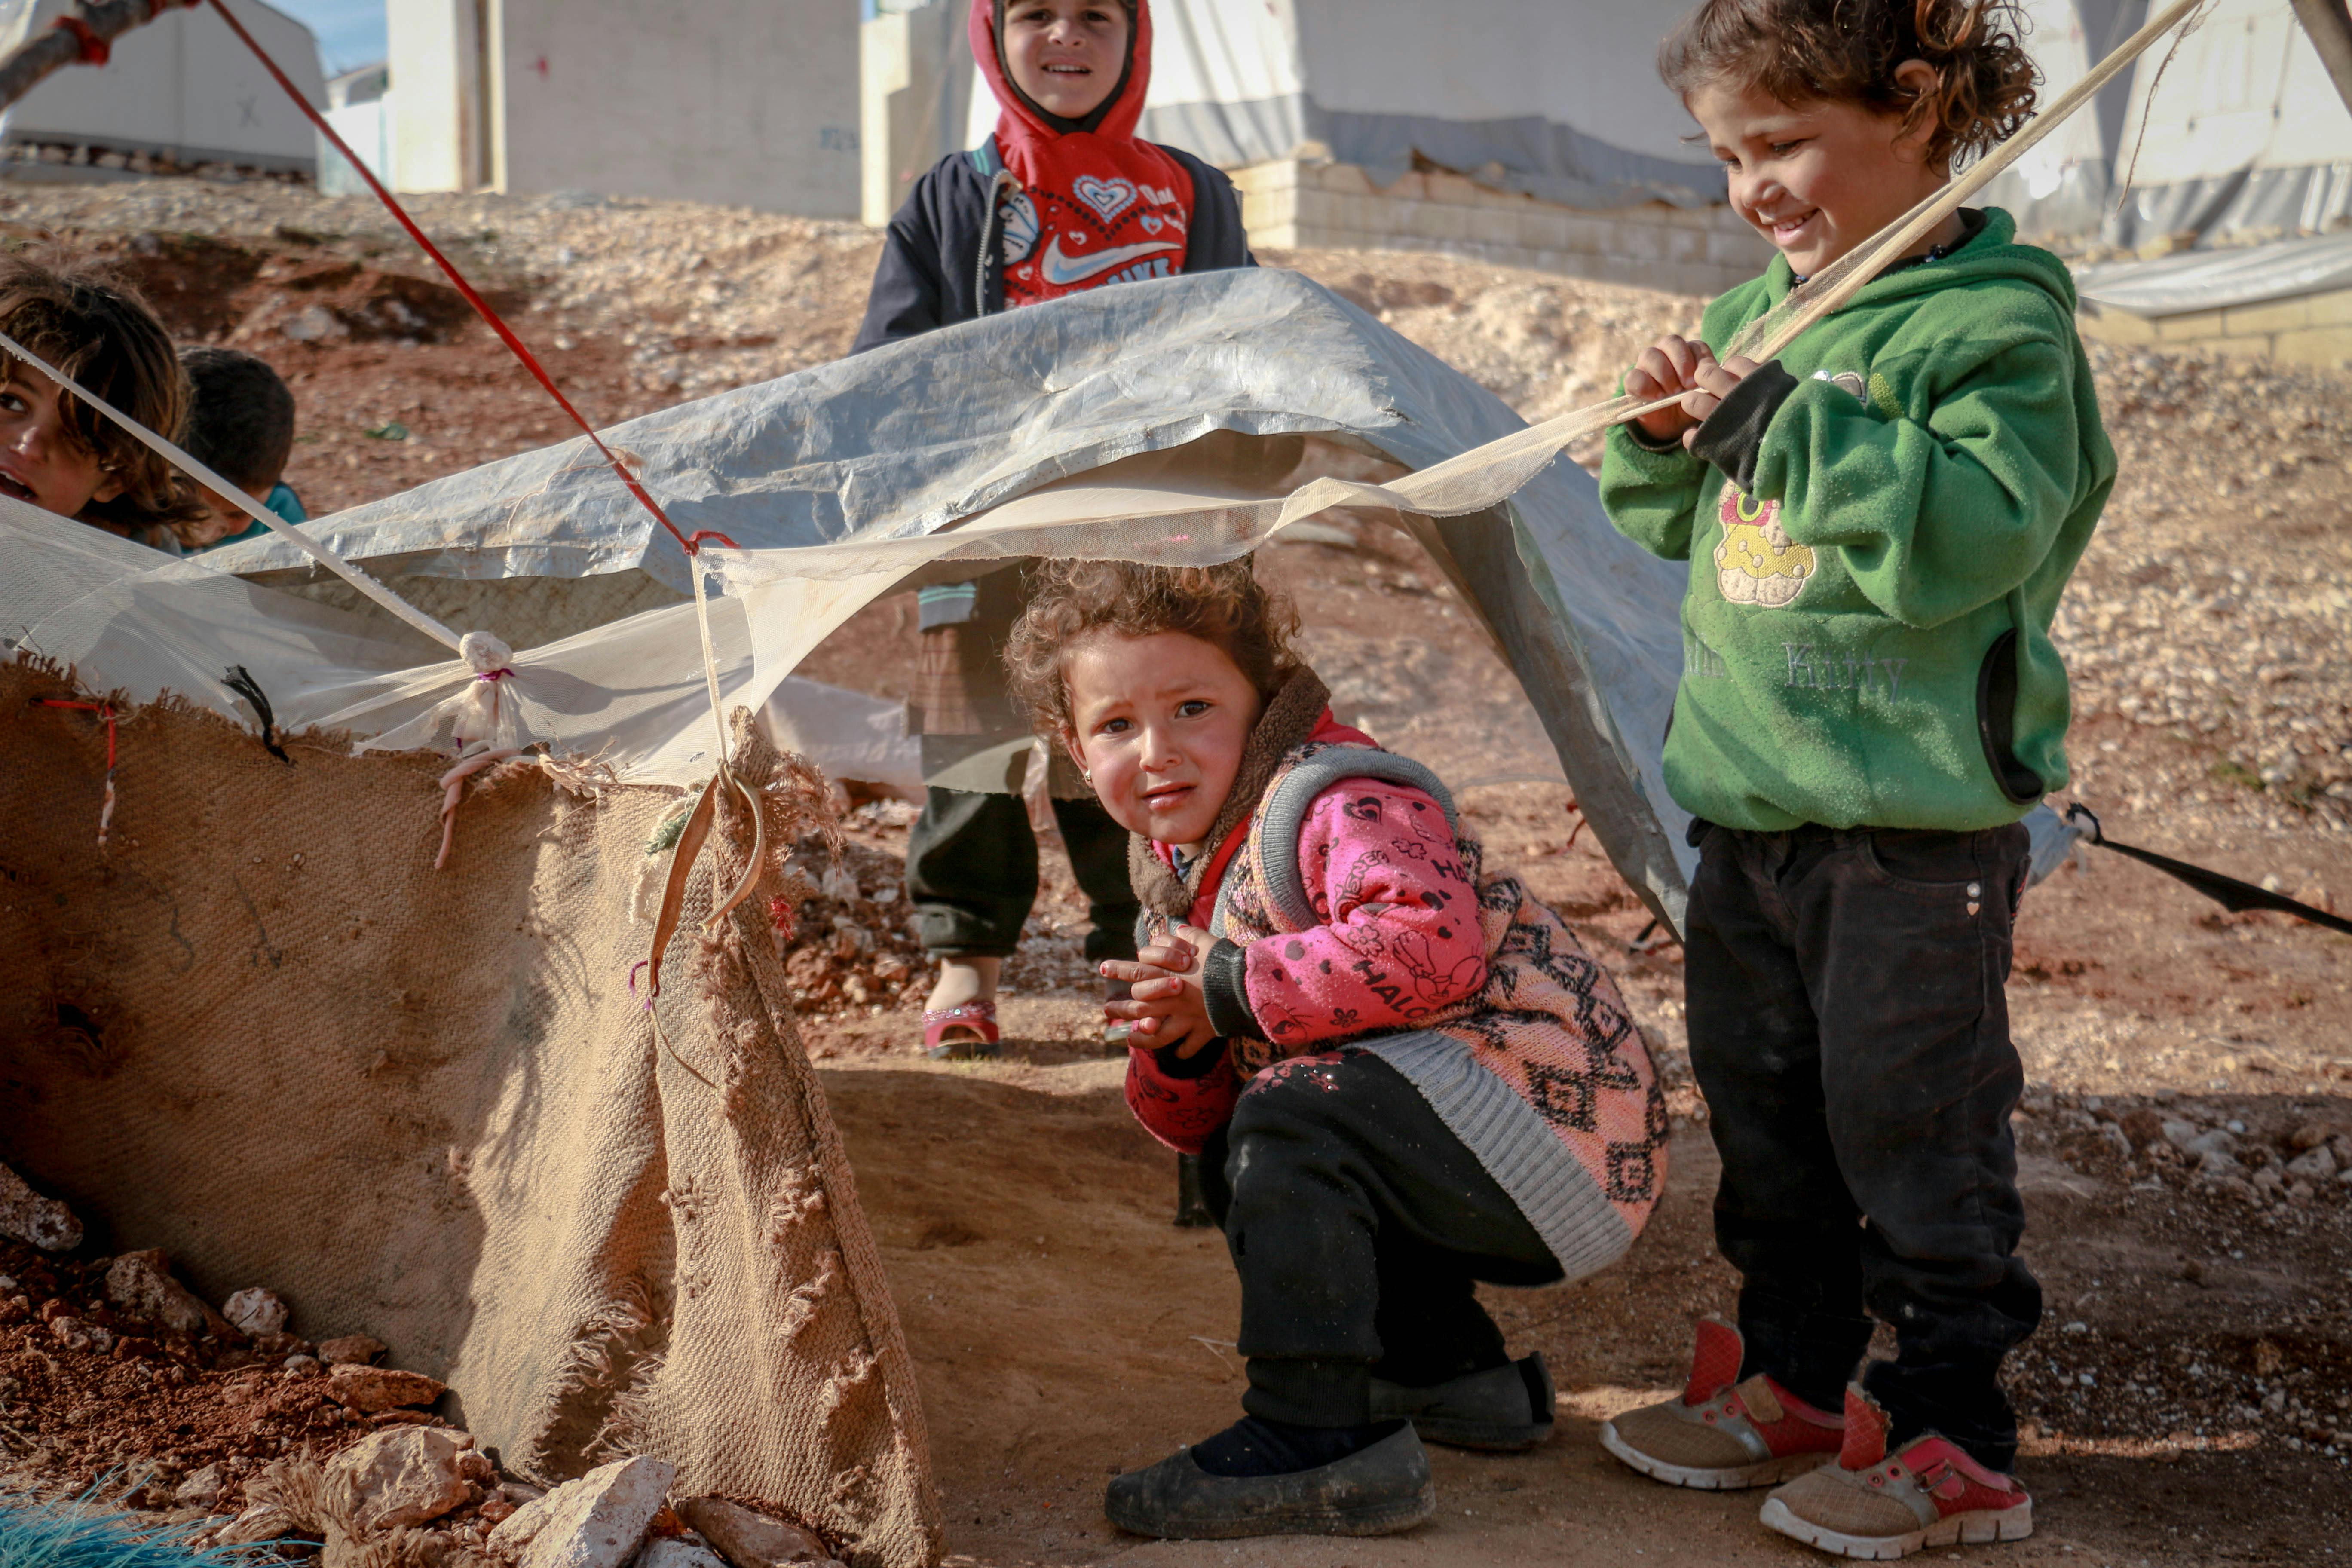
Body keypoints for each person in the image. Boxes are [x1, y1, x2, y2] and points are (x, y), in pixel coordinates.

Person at [1592, 0, 2113, 1557]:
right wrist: (1658, 433)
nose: (1752, 185)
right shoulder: (1770, 309)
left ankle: (1952, 1436)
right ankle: (1795, 1383)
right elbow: (1676, 524)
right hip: (1750, 819)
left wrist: (1762, 416)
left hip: (1912, 838)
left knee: (1913, 1132)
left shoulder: (1996, 329)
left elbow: (1965, 542)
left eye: (1784, 142)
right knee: (1771, 1128)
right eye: (1726, 155)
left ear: (1921, 106)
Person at [1000, 559, 1667, 1538]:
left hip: (1558, 1148)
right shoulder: (1184, 877)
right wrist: (1186, 1042)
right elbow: (1196, 1128)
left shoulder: (1338, 802)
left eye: (1191, 707)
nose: (1155, 751)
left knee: (1294, 1113)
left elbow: (1428, 952)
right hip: (1487, 1149)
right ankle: (1449, 1376)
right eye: (1114, 727)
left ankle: (1315, 1441)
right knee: (1257, 1128)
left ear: (1264, 698)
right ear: (1070, 746)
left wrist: (1229, 987)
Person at [850, 0, 1253, 1059]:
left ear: (1136, 40)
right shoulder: (949, 196)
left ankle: (1143, 951)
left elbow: (1239, 347)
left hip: (1139, 542)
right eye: (1035, 14)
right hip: (984, 533)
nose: (1064, 39)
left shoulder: (1191, 195)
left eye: (1093, 17)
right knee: (970, 753)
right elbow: (885, 367)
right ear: (991, 34)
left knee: (1122, 744)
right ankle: (964, 960)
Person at [0, 253, 202, 550]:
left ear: (114, 481)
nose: (29, 448)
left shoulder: (132, 587)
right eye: (10, 402)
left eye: (78, 435)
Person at [174, 346, 308, 551]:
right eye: (192, 512)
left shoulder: (279, 516)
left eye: (236, 514)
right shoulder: (122, 515)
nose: (208, 532)